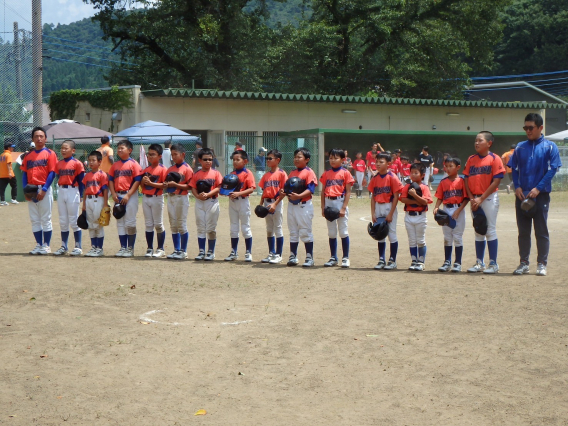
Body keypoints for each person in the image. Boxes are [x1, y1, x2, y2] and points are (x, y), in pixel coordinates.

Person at [509, 113, 562, 277]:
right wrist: (517, 186)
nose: (527, 131)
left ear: (540, 128)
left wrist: (538, 188)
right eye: (525, 128)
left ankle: (541, 263)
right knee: (523, 231)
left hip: (541, 196)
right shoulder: (520, 147)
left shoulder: (550, 146)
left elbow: (553, 169)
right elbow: (514, 169)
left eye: (531, 128)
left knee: (541, 230)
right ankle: (524, 263)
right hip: (521, 195)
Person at [463, 131, 505, 274]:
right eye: (475, 140)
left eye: (480, 140)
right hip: (474, 198)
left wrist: (481, 198)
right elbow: (466, 179)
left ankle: (493, 263)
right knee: (478, 230)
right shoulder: (471, 159)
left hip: (488, 198)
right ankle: (479, 263)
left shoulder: (495, 158)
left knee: (490, 230)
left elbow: (497, 180)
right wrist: (471, 198)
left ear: (489, 143)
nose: (476, 143)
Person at [21, 127, 58, 255]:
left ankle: (46, 245)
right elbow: (24, 173)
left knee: (46, 218)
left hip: (43, 187)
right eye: (36, 136)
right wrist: (25, 190)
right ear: (32, 139)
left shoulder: (50, 153)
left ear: (45, 138)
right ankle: (39, 244)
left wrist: (45, 189)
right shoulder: (28, 156)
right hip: (31, 188)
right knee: (35, 219)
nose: (39, 138)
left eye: (41, 136)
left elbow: (52, 172)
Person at [433, 157, 469, 272]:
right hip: (446, 210)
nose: (448, 168)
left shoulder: (462, 181)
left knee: (457, 237)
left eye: (451, 166)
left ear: (458, 167)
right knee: (447, 237)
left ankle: (457, 262)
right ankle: (447, 262)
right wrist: (436, 207)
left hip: (458, 209)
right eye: (446, 166)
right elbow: (439, 197)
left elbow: (466, 198)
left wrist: (458, 211)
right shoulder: (443, 182)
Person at [368, 152, 403, 270]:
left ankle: (392, 260)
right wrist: (373, 213)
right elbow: (373, 197)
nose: (378, 164)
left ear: (389, 164)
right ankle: (381, 259)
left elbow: (396, 197)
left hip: (389, 206)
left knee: (391, 234)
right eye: (377, 161)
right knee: (379, 234)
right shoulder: (375, 178)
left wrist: (391, 213)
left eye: (381, 162)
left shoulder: (392, 177)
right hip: (378, 206)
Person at [320, 148, 354, 268]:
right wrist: (323, 207)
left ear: (343, 160)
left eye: (336, 158)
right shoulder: (326, 173)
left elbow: (348, 192)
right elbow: (323, 191)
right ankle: (333, 257)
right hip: (329, 202)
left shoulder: (345, 173)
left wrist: (344, 208)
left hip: (340, 201)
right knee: (332, 232)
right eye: (331, 158)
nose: (333, 160)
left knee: (343, 231)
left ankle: (345, 258)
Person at [108, 140, 143, 257]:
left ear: (130, 150)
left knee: (130, 222)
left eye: (122, 148)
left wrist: (128, 195)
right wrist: (113, 194)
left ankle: (130, 248)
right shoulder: (115, 165)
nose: (119, 150)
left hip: (130, 195)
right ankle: (123, 247)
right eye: (118, 148)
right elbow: (110, 180)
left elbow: (137, 181)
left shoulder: (134, 164)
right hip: (118, 194)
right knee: (120, 222)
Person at [284, 147, 318, 267]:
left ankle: (309, 257)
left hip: (304, 205)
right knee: (293, 231)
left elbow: (311, 189)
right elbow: (288, 188)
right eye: (295, 157)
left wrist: (298, 195)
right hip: (292, 205)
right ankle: (293, 256)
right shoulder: (292, 172)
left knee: (305, 231)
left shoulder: (309, 172)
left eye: (299, 157)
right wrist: (285, 192)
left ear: (307, 159)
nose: (296, 159)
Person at [189, 148, 223, 261]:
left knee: (210, 228)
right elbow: (193, 187)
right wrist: (197, 196)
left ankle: (211, 251)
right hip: (200, 202)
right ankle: (201, 251)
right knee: (200, 227)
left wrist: (208, 194)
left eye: (210, 159)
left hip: (212, 201)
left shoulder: (216, 173)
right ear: (200, 160)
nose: (208, 161)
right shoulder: (197, 174)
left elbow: (219, 187)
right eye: (205, 159)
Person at [221, 150, 256, 262]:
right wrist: (224, 192)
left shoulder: (247, 173)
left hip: (243, 201)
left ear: (245, 161)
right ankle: (234, 252)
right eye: (234, 160)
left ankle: (248, 252)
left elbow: (251, 188)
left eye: (238, 159)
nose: (235, 162)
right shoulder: (232, 174)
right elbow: (225, 189)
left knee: (245, 227)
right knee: (233, 228)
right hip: (233, 202)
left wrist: (239, 193)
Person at [53, 140, 85, 256]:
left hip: (73, 190)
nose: (63, 150)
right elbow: (57, 176)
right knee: (63, 220)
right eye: (62, 148)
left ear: (73, 150)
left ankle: (78, 246)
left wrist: (81, 195)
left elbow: (81, 181)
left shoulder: (77, 163)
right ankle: (64, 246)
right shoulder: (59, 163)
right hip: (61, 190)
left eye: (66, 148)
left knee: (74, 219)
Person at [399, 163, 433, 271]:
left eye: (416, 173)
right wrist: (416, 201)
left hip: (420, 217)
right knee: (412, 240)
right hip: (409, 216)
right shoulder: (407, 186)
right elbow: (403, 199)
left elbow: (425, 202)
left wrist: (414, 195)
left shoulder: (424, 187)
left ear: (422, 175)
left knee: (420, 240)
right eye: (411, 172)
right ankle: (414, 261)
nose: (413, 175)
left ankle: (421, 262)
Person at [164, 143, 194, 259]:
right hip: (171, 197)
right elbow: (165, 183)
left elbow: (190, 186)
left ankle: (183, 251)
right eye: (172, 155)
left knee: (181, 224)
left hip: (181, 197)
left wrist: (176, 184)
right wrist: (166, 184)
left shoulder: (187, 168)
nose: (174, 157)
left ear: (183, 154)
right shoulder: (170, 169)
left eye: (176, 154)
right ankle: (176, 250)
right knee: (173, 225)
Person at [258, 149, 288, 264]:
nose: (268, 160)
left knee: (278, 228)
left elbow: (283, 192)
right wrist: (260, 205)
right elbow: (263, 190)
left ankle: (278, 254)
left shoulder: (281, 174)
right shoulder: (266, 175)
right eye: (267, 158)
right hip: (266, 202)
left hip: (277, 203)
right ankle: (271, 253)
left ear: (278, 160)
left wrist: (275, 204)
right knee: (269, 229)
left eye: (270, 158)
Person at [140, 143, 168, 258]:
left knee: (158, 224)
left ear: (160, 156)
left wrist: (151, 183)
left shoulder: (163, 169)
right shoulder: (146, 169)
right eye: (149, 154)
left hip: (157, 198)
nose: (150, 157)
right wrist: (143, 180)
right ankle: (149, 248)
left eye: (153, 154)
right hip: (146, 198)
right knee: (148, 224)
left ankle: (160, 248)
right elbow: (141, 186)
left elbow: (164, 185)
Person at [81, 151, 109, 257]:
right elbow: (85, 190)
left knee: (98, 224)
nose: (91, 162)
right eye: (89, 160)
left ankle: (99, 248)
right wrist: (83, 204)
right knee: (90, 224)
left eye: (94, 160)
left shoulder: (102, 174)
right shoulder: (87, 175)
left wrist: (105, 204)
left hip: (99, 199)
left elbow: (105, 190)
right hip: (88, 200)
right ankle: (93, 247)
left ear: (100, 162)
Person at [0, 141, 18, 205]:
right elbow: (8, 164)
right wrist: (10, 173)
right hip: (9, 174)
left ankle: (2, 201)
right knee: (14, 186)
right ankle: (13, 199)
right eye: (11, 147)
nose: (12, 148)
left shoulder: (1, 155)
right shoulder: (8, 155)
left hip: (2, 175)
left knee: (2, 188)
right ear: (8, 148)